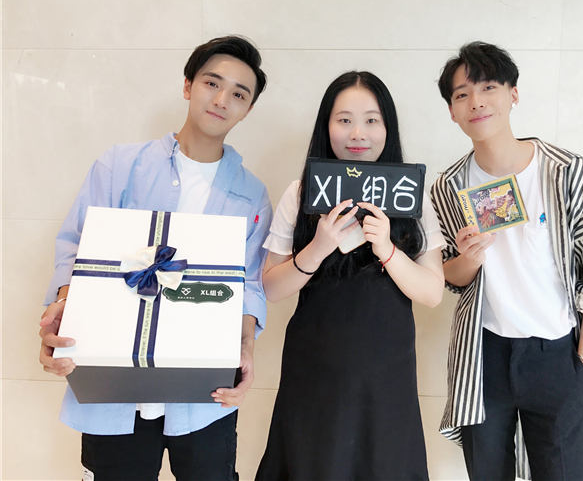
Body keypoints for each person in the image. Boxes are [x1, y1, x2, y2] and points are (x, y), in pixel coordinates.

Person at [38, 35, 272, 481]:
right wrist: (63, 309)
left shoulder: (251, 194)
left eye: (239, 94)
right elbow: (76, 248)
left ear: (248, 109)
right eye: (212, 83)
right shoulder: (120, 166)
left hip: (205, 392)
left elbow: (250, 282)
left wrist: (246, 344)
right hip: (113, 385)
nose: (222, 100)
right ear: (188, 85)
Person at [430, 42, 583, 480]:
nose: (476, 102)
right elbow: (447, 276)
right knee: (487, 472)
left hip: (558, 353)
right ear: (451, 111)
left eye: (488, 87)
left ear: (513, 95)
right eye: (462, 94)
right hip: (483, 354)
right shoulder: (449, 185)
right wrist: (468, 258)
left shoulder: (566, 172)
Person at [255, 71, 445, 480]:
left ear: (387, 128)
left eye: (371, 120)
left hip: (387, 375)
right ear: (326, 126)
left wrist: (387, 249)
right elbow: (270, 287)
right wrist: (319, 246)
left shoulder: (413, 194)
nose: (358, 133)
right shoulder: (301, 191)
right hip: (315, 373)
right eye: (344, 120)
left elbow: (432, 292)